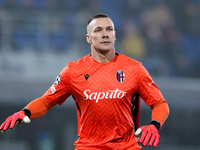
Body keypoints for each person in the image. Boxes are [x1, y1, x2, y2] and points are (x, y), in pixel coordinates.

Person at [0, 13, 169, 150]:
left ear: (115, 35)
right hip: (89, 147)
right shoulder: (74, 71)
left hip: (126, 147)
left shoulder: (135, 68)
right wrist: (25, 112)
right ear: (88, 38)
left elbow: (160, 103)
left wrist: (155, 124)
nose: (105, 33)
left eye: (109, 29)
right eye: (98, 30)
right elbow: (46, 101)